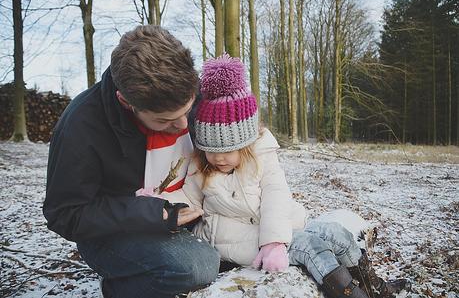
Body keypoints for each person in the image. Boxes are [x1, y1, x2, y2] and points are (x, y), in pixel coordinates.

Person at [160, 54, 409, 298]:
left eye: (228, 151)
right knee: (310, 247)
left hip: (274, 230)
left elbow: (275, 195)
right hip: (233, 240)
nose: (219, 158)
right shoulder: (201, 167)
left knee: (335, 232)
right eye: (211, 151)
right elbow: (188, 198)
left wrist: (275, 241)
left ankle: (374, 287)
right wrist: (160, 204)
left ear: (246, 144)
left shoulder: (262, 156)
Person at [43, 25, 220, 298]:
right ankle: (118, 289)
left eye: (188, 108)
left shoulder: (187, 88)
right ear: (126, 102)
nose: (183, 124)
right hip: (114, 231)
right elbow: (65, 214)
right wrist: (149, 213)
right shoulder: (81, 125)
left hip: (184, 208)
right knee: (197, 266)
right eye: (164, 120)